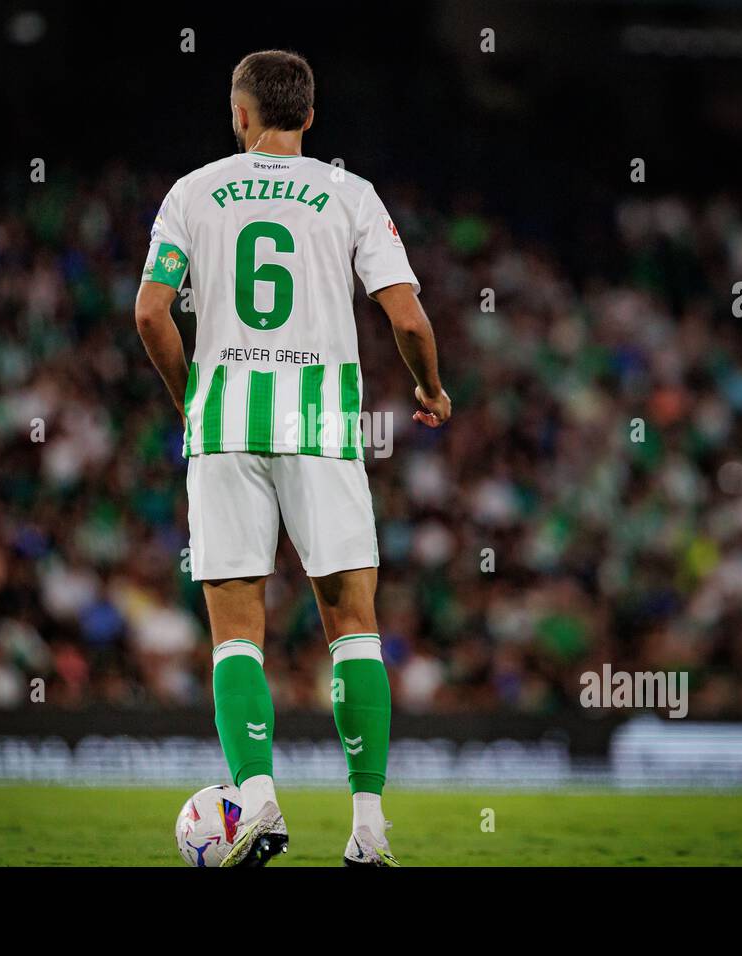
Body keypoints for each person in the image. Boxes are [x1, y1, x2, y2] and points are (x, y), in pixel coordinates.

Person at [135, 49, 451, 866]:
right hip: (322, 430)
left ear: (240, 115)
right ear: (310, 117)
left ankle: (258, 801)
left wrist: (191, 396)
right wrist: (432, 390)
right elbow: (409, 320)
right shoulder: (350, 195)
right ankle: (370, 828)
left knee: (237, 634)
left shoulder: (192, 193)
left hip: (226, 430)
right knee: (354, 630)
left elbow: (149, 314)